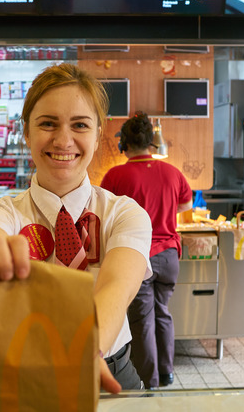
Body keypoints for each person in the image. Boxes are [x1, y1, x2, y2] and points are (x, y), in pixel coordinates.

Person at [0, 63, 153, 393]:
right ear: (26, 132)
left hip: (109, 372)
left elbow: (116, 289)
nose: (64, 140)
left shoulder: (124, 214)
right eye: (48, 124)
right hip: (28, 378)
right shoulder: (4, 213)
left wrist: (85, 351)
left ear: (98, 133)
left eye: (79, 125)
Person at [100, 111, 192, 389]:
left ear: (124, 144)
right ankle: (166, 373)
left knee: (141, 319)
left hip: (138, 258)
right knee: (162, 311)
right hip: (169, 255)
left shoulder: (116, 175)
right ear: (151, 143)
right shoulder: (173, 172)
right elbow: (186, 207)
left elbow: (103, 215)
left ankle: (149, 382)